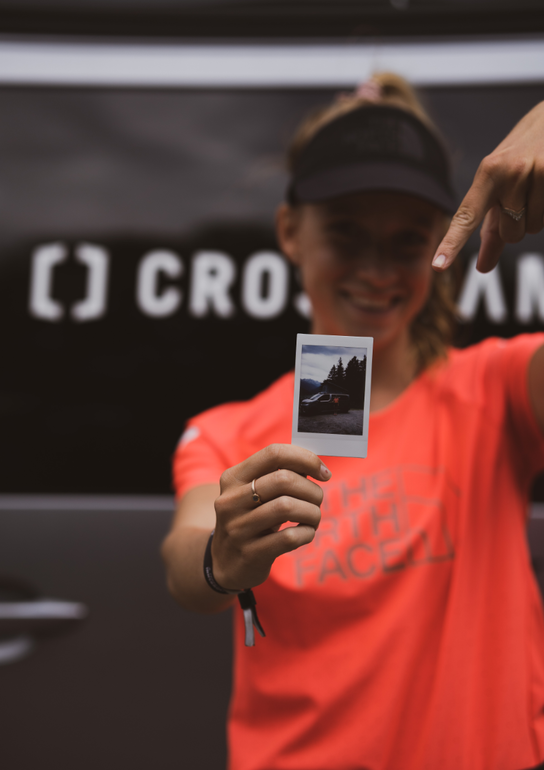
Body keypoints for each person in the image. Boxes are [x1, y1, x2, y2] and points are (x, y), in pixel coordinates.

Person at [161, 73, 544, 770]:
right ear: (290, 232)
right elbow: (185, 564)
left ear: (443, 242)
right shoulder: (229, 431)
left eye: (406, 242)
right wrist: (221, 560)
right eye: (346, 234)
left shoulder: (498, 388)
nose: (376, 270)